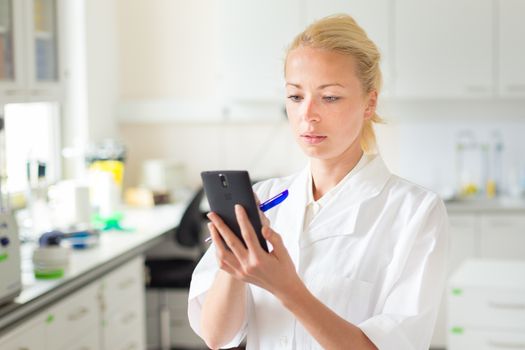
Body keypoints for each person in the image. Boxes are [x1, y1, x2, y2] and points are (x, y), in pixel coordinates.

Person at [188, 14, 448, 350]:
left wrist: (287, 288)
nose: (307, 114)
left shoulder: (416, 213)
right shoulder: (263, 201)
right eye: (296, 97)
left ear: (369, 103)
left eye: (330, 97)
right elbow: (216, 336)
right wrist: (234, 266)